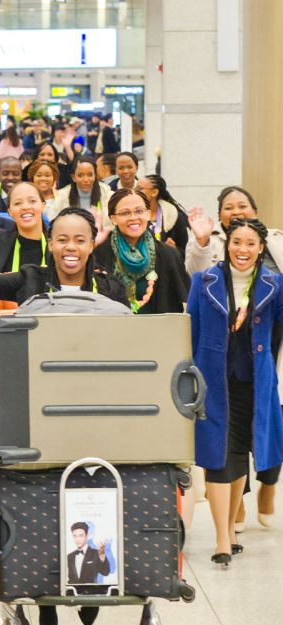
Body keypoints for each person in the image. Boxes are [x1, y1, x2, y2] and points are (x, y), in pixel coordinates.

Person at [189, 218, 283, 566]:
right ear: (226, 244)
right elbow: (192, 331)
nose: (242, 250)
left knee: (240, 453)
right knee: (217, 456)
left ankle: (229, 529)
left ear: (261, 249)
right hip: (214, 380)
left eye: (250, 244)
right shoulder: (205, 281)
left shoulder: (275, 284)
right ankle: (220, 540)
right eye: (236, 242)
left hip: (253, 383)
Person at [0, 189, 127, 306]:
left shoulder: (111, 288)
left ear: (91, 245)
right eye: (62, 240)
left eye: (80, 241)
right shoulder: (30, 279)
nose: (70, 247)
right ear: (51, 244)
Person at [93, 189, 189, 314]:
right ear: (113, 219)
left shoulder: (168, 255)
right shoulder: (99, 253)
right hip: (113, 328)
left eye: (139, 211)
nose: (133, 218)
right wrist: (90, 247)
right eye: (125, 213)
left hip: (157, 330)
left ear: (148, 214)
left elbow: (185, 299)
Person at [187, 186, 283, 275]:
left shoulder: (277, 237)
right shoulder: (202, 242)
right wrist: (202, 242)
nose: (236, 212)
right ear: (219, 215)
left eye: (242, 206)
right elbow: (195, 276)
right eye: (228, 208)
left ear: (255, 211)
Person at [135, 174, 188, 257]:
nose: (135, 192)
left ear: (154, 192)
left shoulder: (173, 215)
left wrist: (173, 250)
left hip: (167, 267)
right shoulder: (132, 216)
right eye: (135, 189)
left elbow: (185, 252)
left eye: (139, 189)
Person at [51, 156, 112, 220]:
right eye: (80, 175)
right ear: (73, 177)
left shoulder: (108, 195)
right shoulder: (62, 196)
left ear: (95, 175)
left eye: (90, 175)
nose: (86, 180)